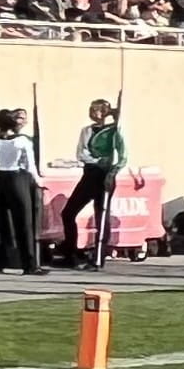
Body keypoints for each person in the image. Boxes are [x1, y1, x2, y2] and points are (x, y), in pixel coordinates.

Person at [59, 98, 126, 267]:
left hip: (106, 175)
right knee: (68, 213)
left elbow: (122, 156)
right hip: (90, 173)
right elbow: (81, 153)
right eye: (92, 109)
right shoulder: (86, 131)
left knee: (101, 215)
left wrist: (112, 169)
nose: (94, 113)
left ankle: (99, 256)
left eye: (98, 110)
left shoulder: (115, 132)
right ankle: (70, 254)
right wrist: (97, 160)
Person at [0, 108, 46, 274]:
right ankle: (29, 265)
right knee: (24, 223)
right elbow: (31, 165)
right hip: (17, 180)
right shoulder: (23, 141)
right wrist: (38, 182)